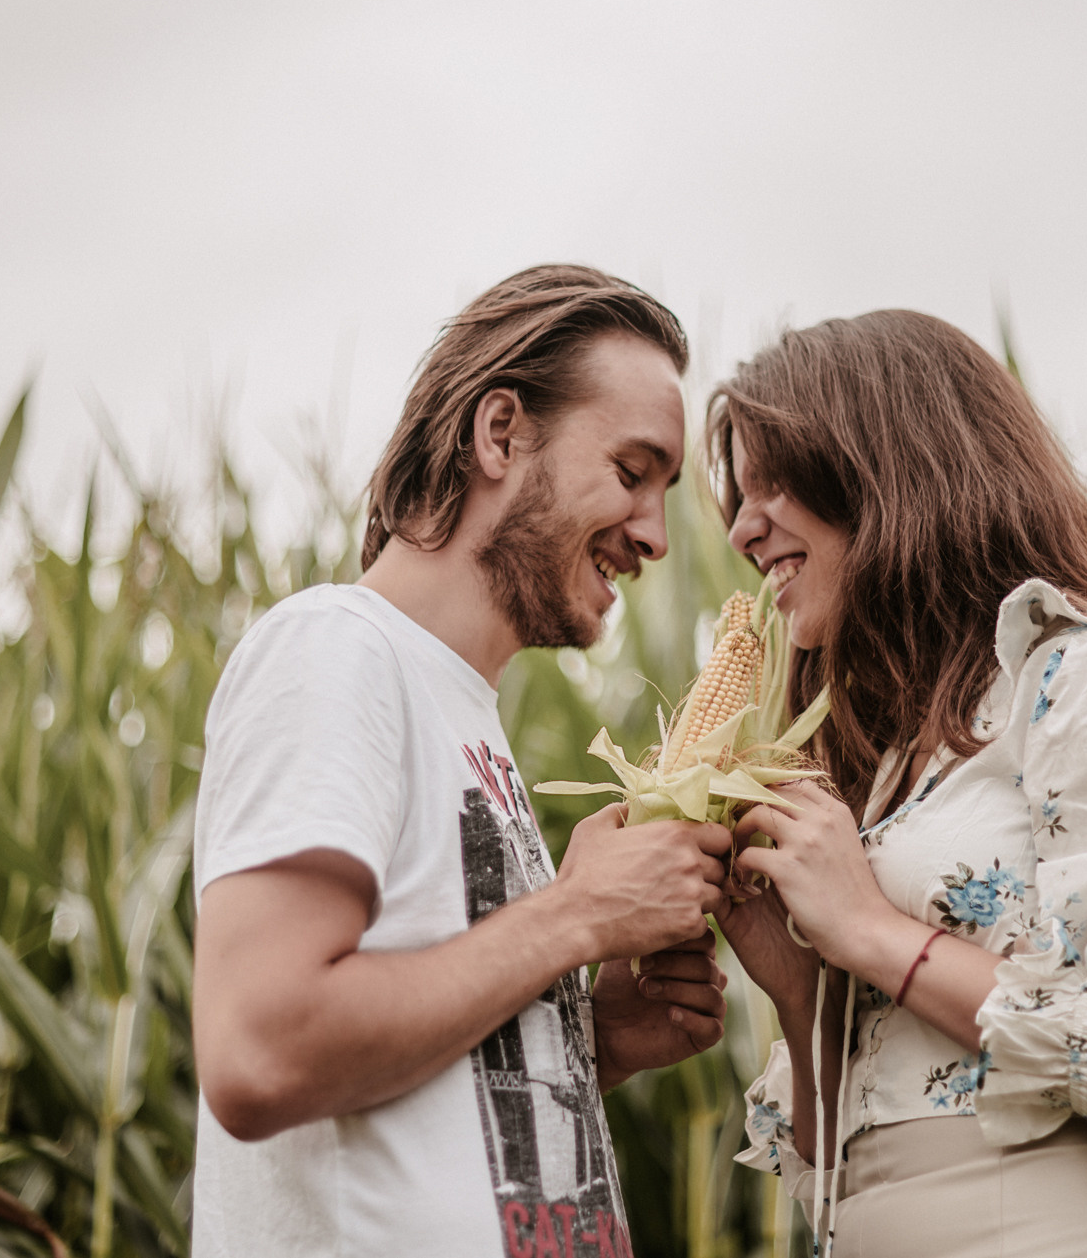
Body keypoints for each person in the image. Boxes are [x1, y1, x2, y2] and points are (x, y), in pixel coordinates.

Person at [709, 310, 1087, 1256]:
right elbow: (843, 1158)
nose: (742, 528)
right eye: (738, 498)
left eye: (771, 484)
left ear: (891, 464)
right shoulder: (889, 762)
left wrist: (871, 929)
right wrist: (798, 986)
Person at [190, 264, 734, 1257]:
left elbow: (409, 1100)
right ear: (499, 435)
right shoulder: (337, 649)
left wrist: (588, 1036)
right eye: (631, 471)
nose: (656, 533)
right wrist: (578, 915)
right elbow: (260, 1051)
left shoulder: (462, 714)